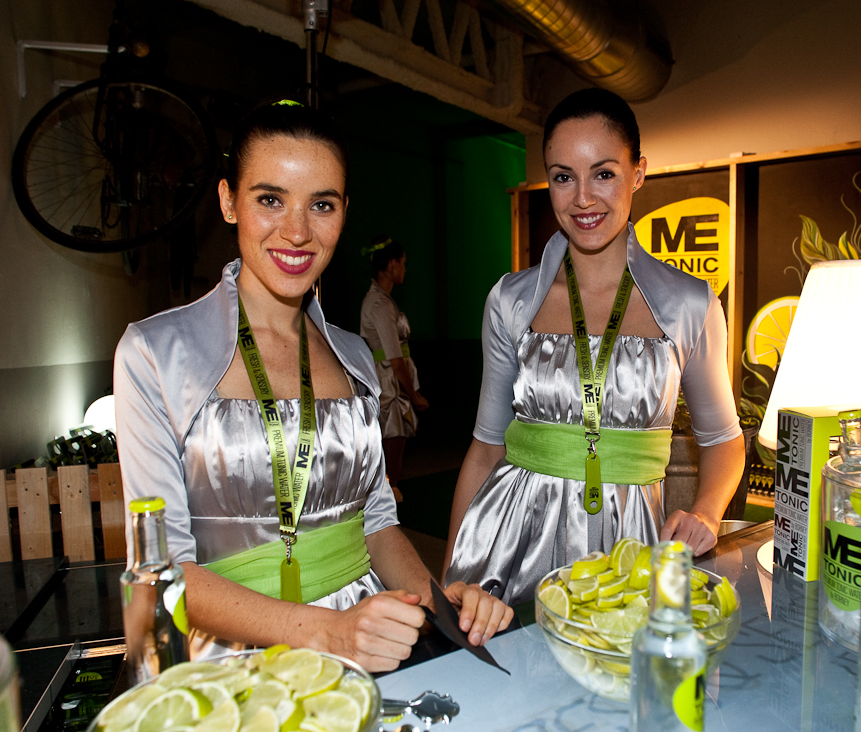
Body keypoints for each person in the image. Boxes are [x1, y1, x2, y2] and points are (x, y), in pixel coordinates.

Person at [114, 102, 511, 672]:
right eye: (270, 200)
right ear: (228, 201)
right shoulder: (156, 354)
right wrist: (329, 633)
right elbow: (162, 571)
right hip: (227, 661)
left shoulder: (353, 356)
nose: (297, 232)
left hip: (362, 643)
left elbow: (377, 523)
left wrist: (440, 603)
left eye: (321, 205)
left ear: (344, 211)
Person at [443, 89, 746, 606]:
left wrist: (706, 512)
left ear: (638, 173)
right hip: (507, 548)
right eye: (563, 177)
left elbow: (723, 440)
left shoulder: (689, 304)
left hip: (629, 551)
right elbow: (487, 448)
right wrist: (449, 577)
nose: (583, 198)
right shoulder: (511, 300)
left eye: (603, 173)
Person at [359, 236, 429, 502]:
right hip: (388, 383)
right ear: (391, 265)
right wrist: (413, 394)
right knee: (392, 437)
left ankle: (388, 490)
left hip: (389, 380)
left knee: (394, 437)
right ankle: (388, 491)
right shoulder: (380, 305)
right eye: (403, 263)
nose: (405, 269)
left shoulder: (383, 301)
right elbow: (395, 359)